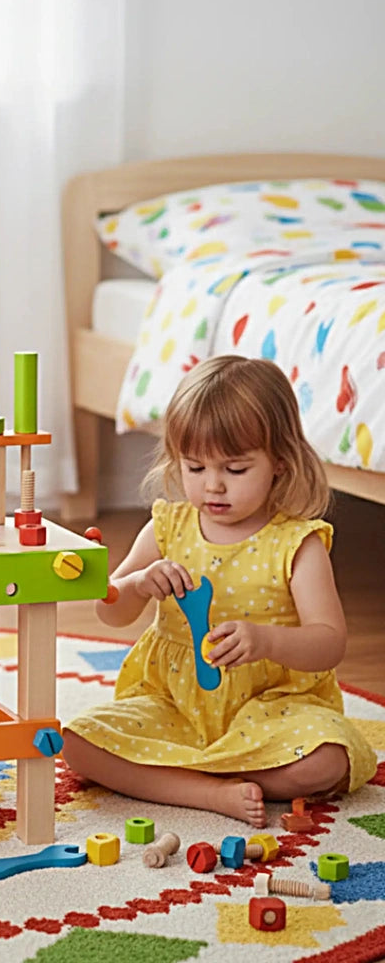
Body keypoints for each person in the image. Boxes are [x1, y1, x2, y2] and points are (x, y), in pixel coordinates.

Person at [62, 355, 376, 828]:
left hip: (270, 707)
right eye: (195, 467)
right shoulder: (167, 527)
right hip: (175, 704)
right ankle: (210, 792)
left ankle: (172, 772)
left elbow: (329, 643)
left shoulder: (297, 543)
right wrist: (137, 585)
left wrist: (266, 641)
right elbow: (111, 612)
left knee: (327, 760)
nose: (213, 485)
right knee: (75, 742)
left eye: (235, 469)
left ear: (280, 465)